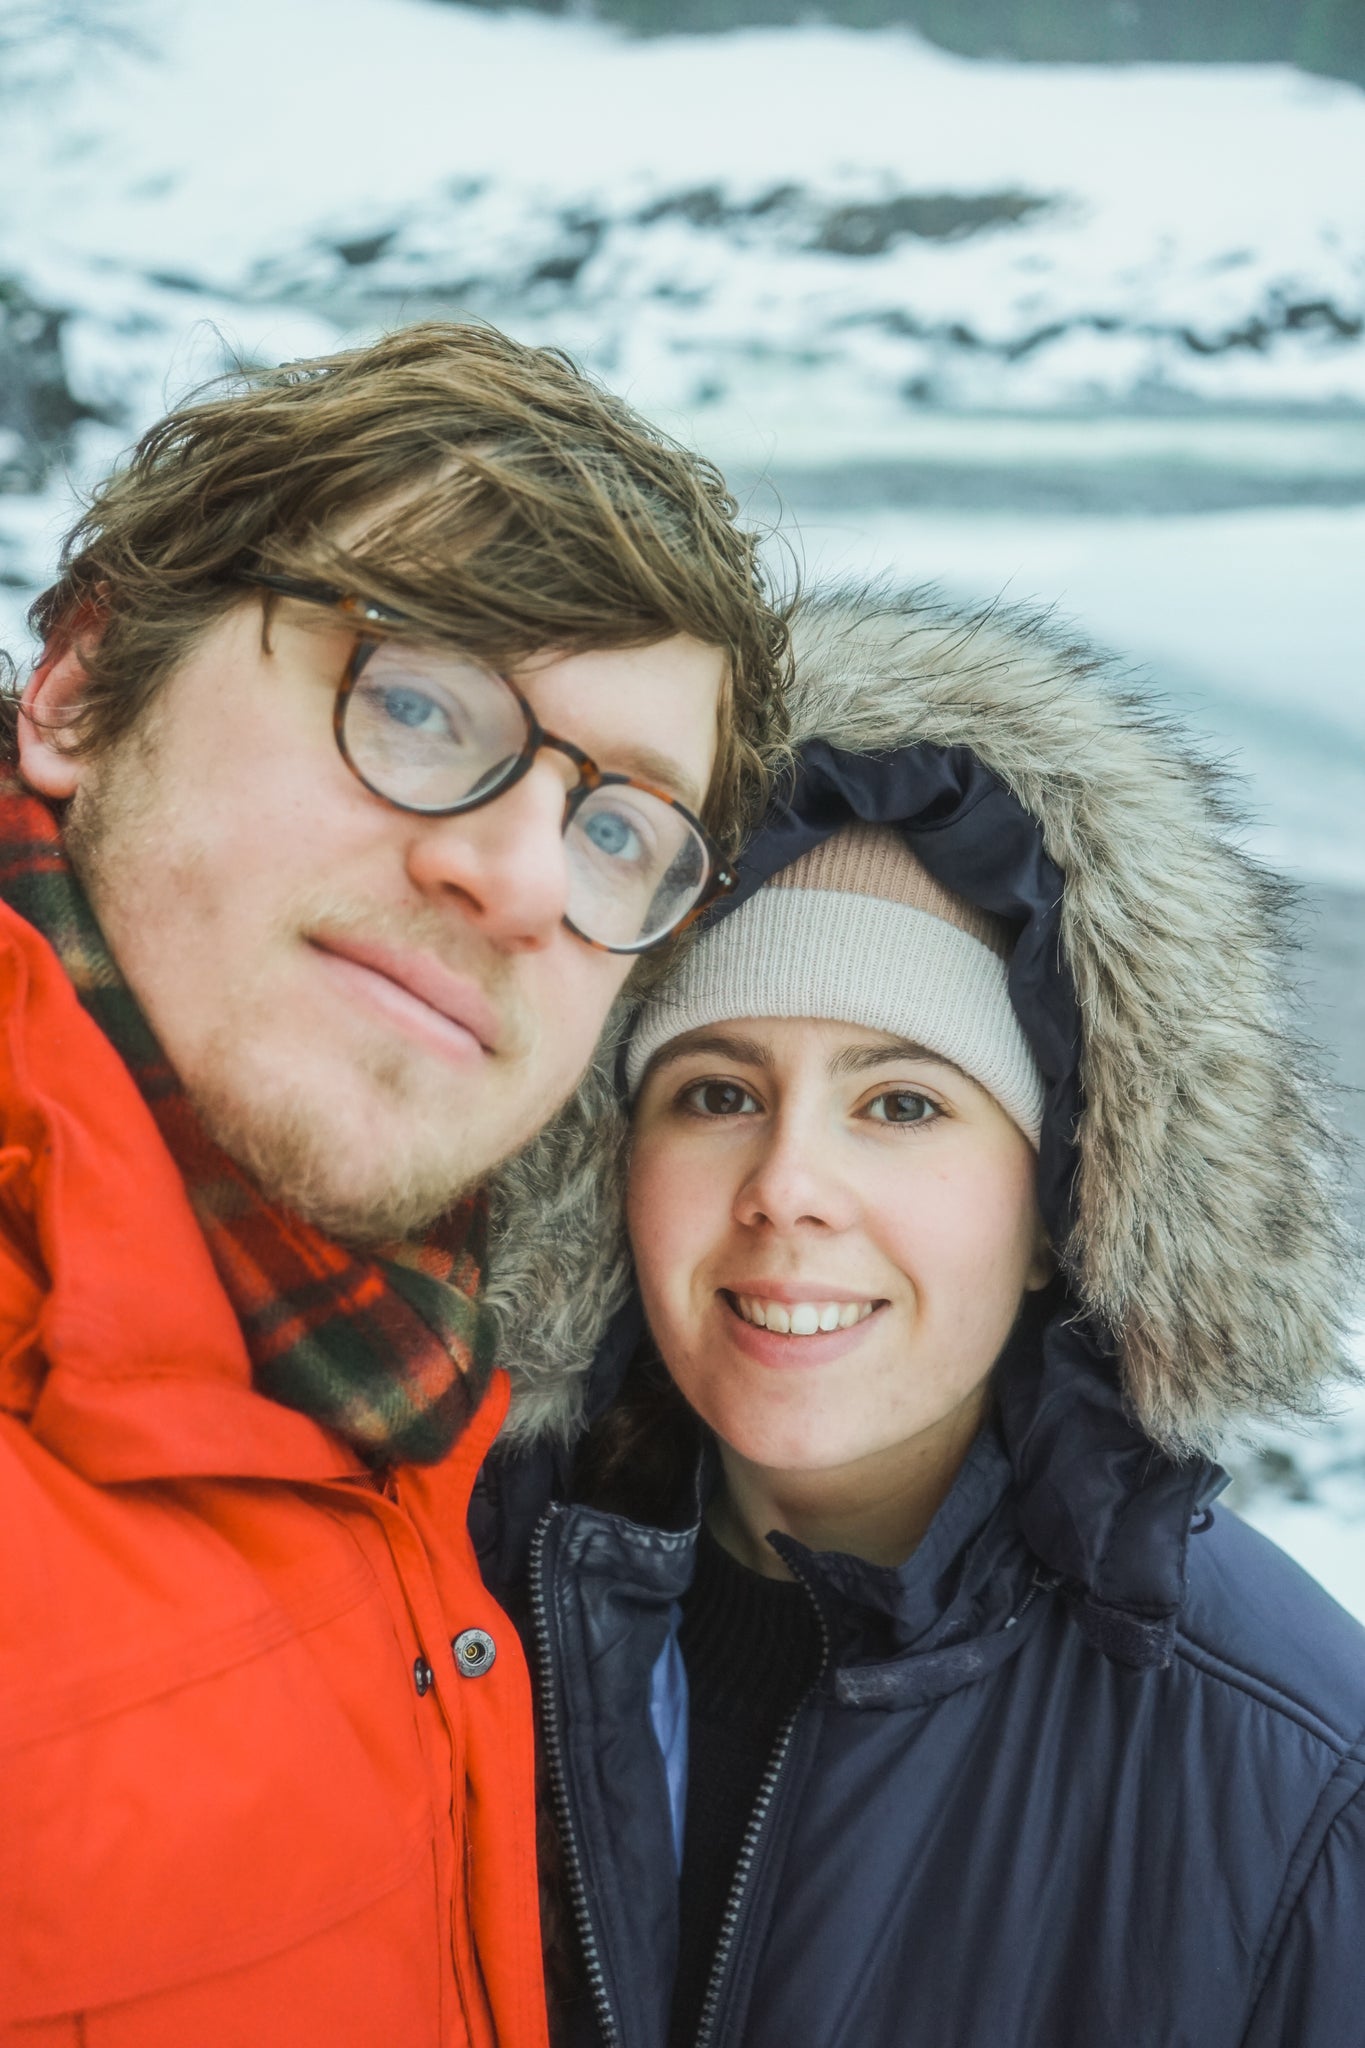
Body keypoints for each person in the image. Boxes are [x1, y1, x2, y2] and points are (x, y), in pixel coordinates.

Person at [0, 321, 789, 2047]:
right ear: (77, 690)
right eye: (416, 701)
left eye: (615, 830)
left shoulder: (436, 1415)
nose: (514, 878)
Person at [490, 585, 1365, 2048]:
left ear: (1054, 1217)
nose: (786, 1188)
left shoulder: (1291, 1781)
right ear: (606, 1169)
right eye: (715, 1094)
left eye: (900, 1104)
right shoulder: (448, 1595)